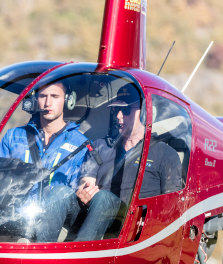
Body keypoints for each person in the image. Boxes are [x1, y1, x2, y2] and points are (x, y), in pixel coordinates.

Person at [38, 85, 182, 242]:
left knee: (104, 198)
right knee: (59, 192)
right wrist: (84, 190)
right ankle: (39, 254)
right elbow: (87, 180)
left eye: (126, 110)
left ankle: (80, 259)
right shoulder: (101, 145)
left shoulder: (165, 154)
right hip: (93, 216)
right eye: (116, 110)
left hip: (131, 226)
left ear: (144, 113)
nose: (119, 116)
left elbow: (171, 208)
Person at [0, 80, 89, 189]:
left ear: (68, 100)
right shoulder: (13, 137)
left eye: (55, 96)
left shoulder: (81, 145)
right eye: (43, 96)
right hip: (15, 205)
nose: (48, 103)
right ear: (35, 99)